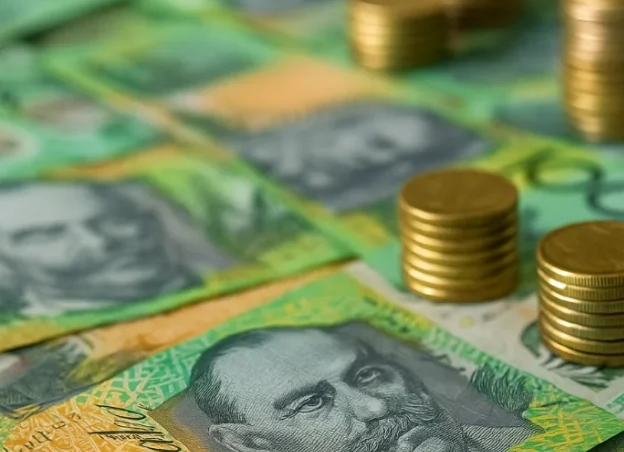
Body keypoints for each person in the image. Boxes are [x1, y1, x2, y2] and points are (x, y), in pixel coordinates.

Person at [188, 324, 533, 452]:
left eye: (367, 375)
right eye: (311, 402)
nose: (375, 406)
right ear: (254, 445)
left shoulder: (534, 442)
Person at [0, 180, 221, 318]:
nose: (97, 242)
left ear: (148, 219)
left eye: (114, 219)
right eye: (47, 235)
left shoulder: (223, 270)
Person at [228, 102, 488, 212]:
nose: (381, 161)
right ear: (346, 125)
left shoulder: (332, 200)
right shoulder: (241, 145)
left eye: (401, 158)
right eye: (380, 143)